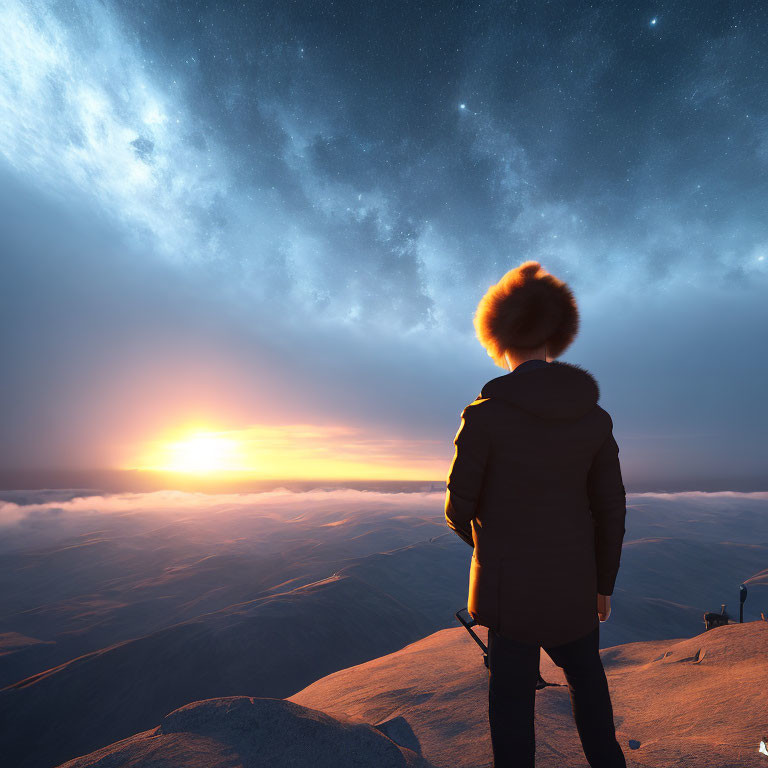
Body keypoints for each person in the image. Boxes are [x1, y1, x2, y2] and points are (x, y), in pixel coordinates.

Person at [445, 260, 627, 768]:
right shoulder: (593, 419)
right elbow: (611, 507)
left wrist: (497, 549)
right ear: (558, 335)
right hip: (575, 587)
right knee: (590, 690)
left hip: (507, 595)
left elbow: (458, 509)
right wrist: (602, 584)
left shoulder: (482, 418)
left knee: (510, 712)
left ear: (498, 336)